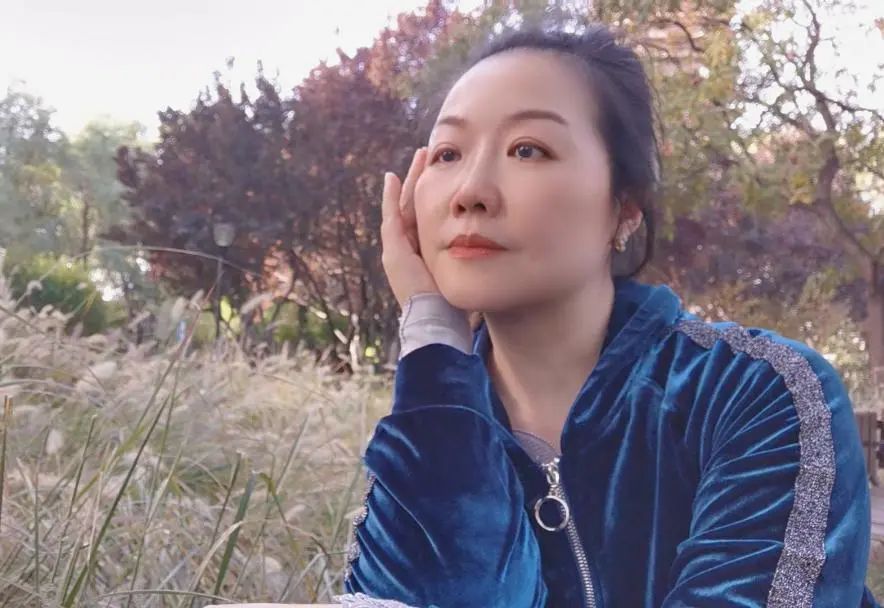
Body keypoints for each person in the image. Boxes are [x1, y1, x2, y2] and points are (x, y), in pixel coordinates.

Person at [342, 25, 882, 608]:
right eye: (447, 154)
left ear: (624, 208)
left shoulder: (757, 394)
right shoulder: (427, 437)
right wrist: (432, 333)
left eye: (528, 150)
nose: (469, 191)